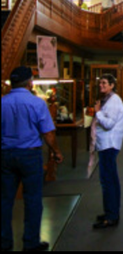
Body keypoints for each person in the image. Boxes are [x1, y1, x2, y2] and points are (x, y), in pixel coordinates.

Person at [2, 66, 63, 252]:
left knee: (4, 201)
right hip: (30, 155)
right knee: (33, 199)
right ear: (30, 83)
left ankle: (4, 243)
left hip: (5, 156)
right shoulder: (37, 103)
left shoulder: (2, 102)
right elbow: (48, 133)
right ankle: (30, 243)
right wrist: (56, 151)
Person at [93, 74, 123, 229]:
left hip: (109, 145)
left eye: (104, 83)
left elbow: (109, 124)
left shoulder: (114, 101)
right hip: (105, 144)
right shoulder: (109, 99)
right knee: (110, 180)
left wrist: (98, 112)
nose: (101, 85)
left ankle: (112, 216)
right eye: (100, 83)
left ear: (112, 85)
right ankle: (110, 212)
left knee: (108, 181)